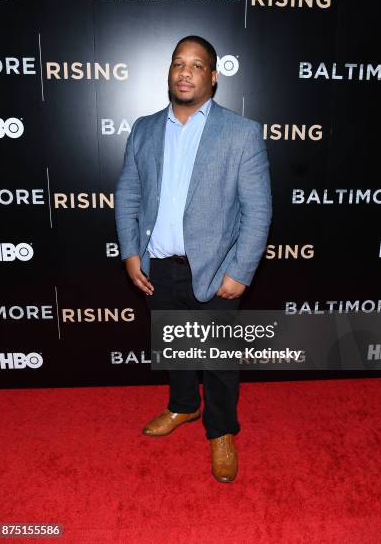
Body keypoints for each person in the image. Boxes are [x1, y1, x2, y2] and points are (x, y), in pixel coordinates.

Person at [114, 35, 272, 483]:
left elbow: (257, 209)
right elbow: (128, 192)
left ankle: (220, 430)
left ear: (213, 76)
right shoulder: (145, 128)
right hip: (158, 267)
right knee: (175, 349)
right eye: (178, 63)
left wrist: (240, 271)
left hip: (216, 269)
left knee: (220, 360)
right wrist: (130, 252)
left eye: (196, 65)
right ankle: (183, 405)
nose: (185, 72)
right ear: (169, 72)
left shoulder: (241, 132)